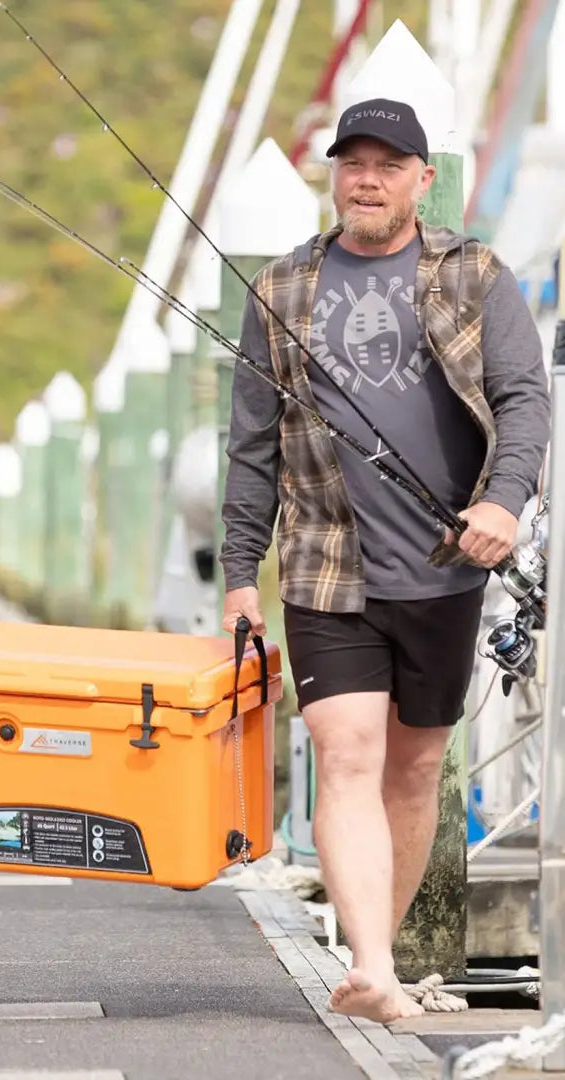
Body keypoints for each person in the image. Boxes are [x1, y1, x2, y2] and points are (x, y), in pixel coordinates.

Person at [218, 98, 550, 1024]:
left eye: (388, 165)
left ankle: (385, 963)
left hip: (447, 564)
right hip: (327, 565)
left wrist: (502, 502)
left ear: (422, 177)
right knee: (347, 753)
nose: (367, 180)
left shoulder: (475, 274)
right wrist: (243, 576)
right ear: (335, 173)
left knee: (415, 768)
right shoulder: (282, 289)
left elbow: (524, 402)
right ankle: (369, 962)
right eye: (352, 163)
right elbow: (252, 448)